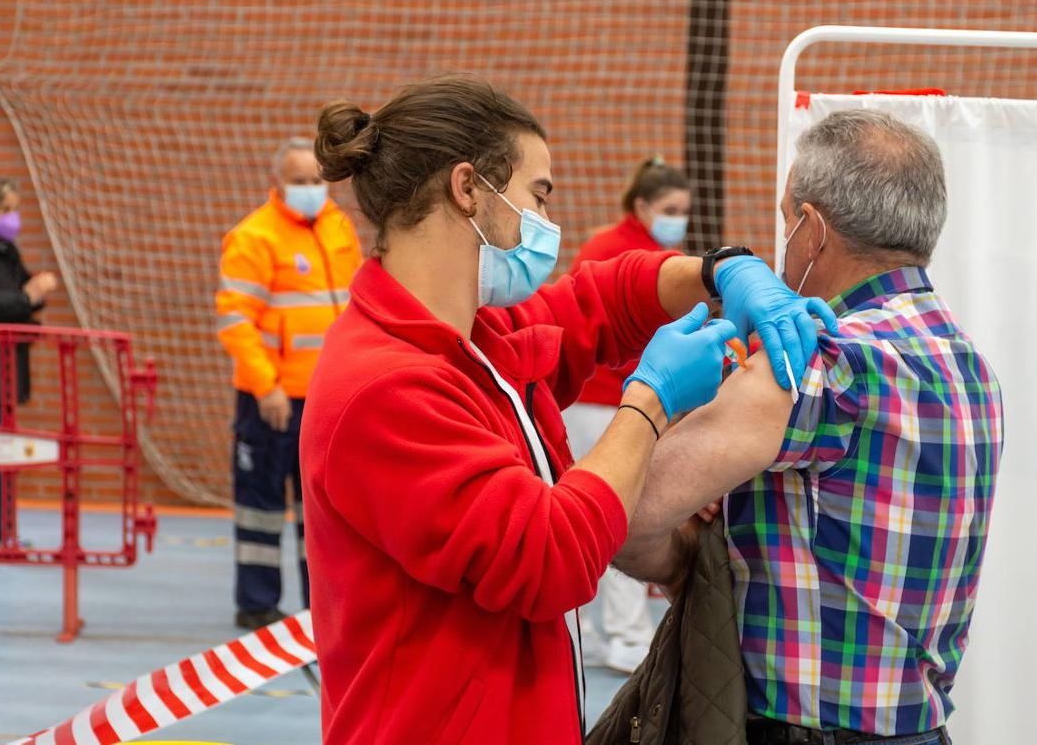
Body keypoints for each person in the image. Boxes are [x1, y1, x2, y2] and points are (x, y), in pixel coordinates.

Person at [299, 75, 834, 745]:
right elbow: (551, 559)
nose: (546, 224)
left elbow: (602, 301)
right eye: (537, 196)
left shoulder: (474, 341)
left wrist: (721, 270)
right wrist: (650, 403)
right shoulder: (383, 389)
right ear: (468, 189)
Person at [614, 110, 1004, 745]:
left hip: (808, 730)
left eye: (785, 217)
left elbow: (623, 509)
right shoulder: (969, 367)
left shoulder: (824, 361)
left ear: (812, 229)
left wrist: (657, 409)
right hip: (917, 725)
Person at [215, 137, 362, 629]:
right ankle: (256, 605)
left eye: (317, 181)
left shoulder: (340, 228)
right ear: (277, 182)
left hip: (330, 396)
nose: (310, 190)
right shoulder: (253, 237)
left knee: (322, 508)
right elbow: (235, 322)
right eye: (300, 182)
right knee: (260, 501)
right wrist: (266, 387)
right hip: (272, 397)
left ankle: (319, 606)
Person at [564, 157, 691, 673]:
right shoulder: (614, 252)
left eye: (684, 210)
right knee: (619, 512)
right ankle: (624, 635)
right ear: (641, 206)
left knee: (599, 513)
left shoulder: (657, 253)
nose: (678, 218)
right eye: (670, 209)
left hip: (611, 402)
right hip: (601, 402)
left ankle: (601, 631)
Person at [0, 178, 58, 546]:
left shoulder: (6, 250)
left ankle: (3, 531)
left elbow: (21, 295)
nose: (12, 218)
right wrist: (25, 297)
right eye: (5, 210)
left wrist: (35, 293)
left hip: (5, 371)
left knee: (4, 454)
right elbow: (6, 302)